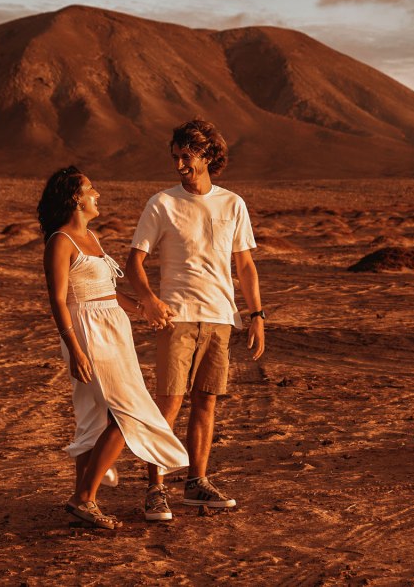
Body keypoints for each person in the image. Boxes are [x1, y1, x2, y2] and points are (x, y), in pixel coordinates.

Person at [126, 119, 266, 523]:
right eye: (175, 157)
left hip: (220, 316)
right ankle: (155, 489)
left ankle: (196, 482)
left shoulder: (232, 204)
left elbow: (245, 264)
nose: (179, 165)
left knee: (206, 401)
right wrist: (150, 300)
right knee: (168, 404)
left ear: (208, 155)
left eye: (186, 156)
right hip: (177, 317)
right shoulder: (161, 204)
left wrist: (256, 314)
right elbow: (134, 261)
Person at [39, 166, 189, 529]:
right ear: (75, 198)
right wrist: (74, 349)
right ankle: (84, 498)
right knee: (126, 414)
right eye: (90, 189)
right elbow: (58, 300)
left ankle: (81, 501)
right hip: (88, 332)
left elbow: (106, 292)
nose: (97, 194)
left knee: (94, 417)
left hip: (112, 327)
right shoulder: (61, 241)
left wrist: (143, 309)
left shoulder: (91, 236)